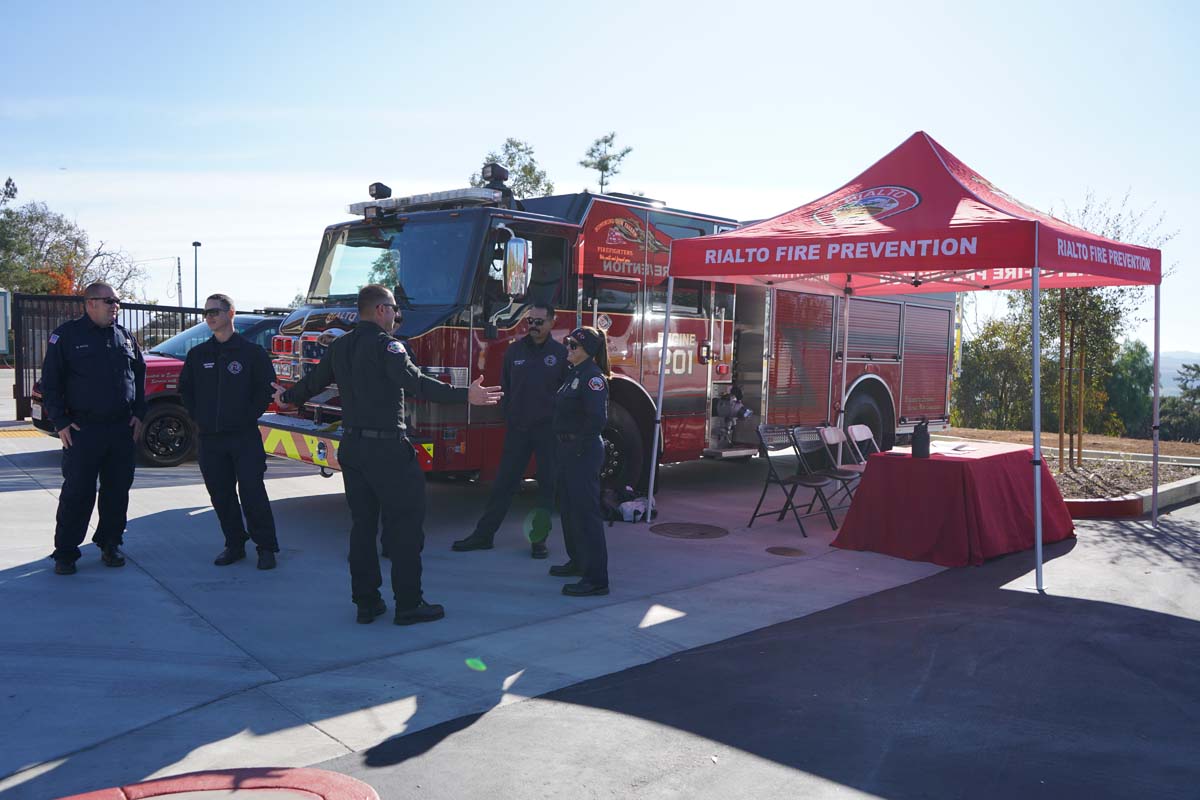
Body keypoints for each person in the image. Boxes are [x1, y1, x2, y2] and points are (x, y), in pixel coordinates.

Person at [272, 284, 502, 625]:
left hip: (352, 448)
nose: (397, 315)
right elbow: (417, 383)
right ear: (380, 310)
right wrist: (465, 396)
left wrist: (287, 397)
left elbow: (313, 383)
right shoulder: (388, 347)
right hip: (388, 451)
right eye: (393, 308)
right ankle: (409, 604)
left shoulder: (341, 346)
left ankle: (367, 603)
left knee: (362, 526)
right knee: (405, 527)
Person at [41, 282, 146, 575]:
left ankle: (110, 543)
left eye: (117, 301)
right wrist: (60, 421)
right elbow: (50, 383)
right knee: (77, 493)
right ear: (90, 304)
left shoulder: (124, 336)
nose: (116, 306)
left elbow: (139, 375)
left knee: (117, 492)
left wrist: (139, 413)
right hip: (83, 431)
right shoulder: (67, 336)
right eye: (109, 301)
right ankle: (65, 553)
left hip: (120, 430)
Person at [452, 303, 568, 558]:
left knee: (547, 486)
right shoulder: (514, 351)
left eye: (539, 321)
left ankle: (539, 540)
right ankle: (484, 535)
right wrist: (510, 416)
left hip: (548, 432)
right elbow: (506, 386)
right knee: (503, 484)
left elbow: (566, 394)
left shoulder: (561, 354)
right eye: (530, 321)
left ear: (551, 322)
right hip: (518, 429)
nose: (534, 326)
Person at [179, 293, 280, 570]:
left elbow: (265, 390)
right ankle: (234, 544)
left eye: (215, 311)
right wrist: (198, 417)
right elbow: (185, 390)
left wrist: (247, 416)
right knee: (221, 495)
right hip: (210, 439)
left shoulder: (252, 354)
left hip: (243, 437)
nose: (210, 317)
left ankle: (266, 547)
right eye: (206, 313)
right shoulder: (198, 355)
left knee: (252, 493)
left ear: (230, 313)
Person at [550, 326, 611, 597]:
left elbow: (596, 418)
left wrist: (577, 446)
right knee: (568, 509)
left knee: (587, 515)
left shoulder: (592, 378)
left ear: (587, 350)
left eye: (573, 345)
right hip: (567, 449)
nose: (568, 348)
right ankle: (578, 561)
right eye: (568, 343)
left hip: (582, 452)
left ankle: (596, 579)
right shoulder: (574, 373)